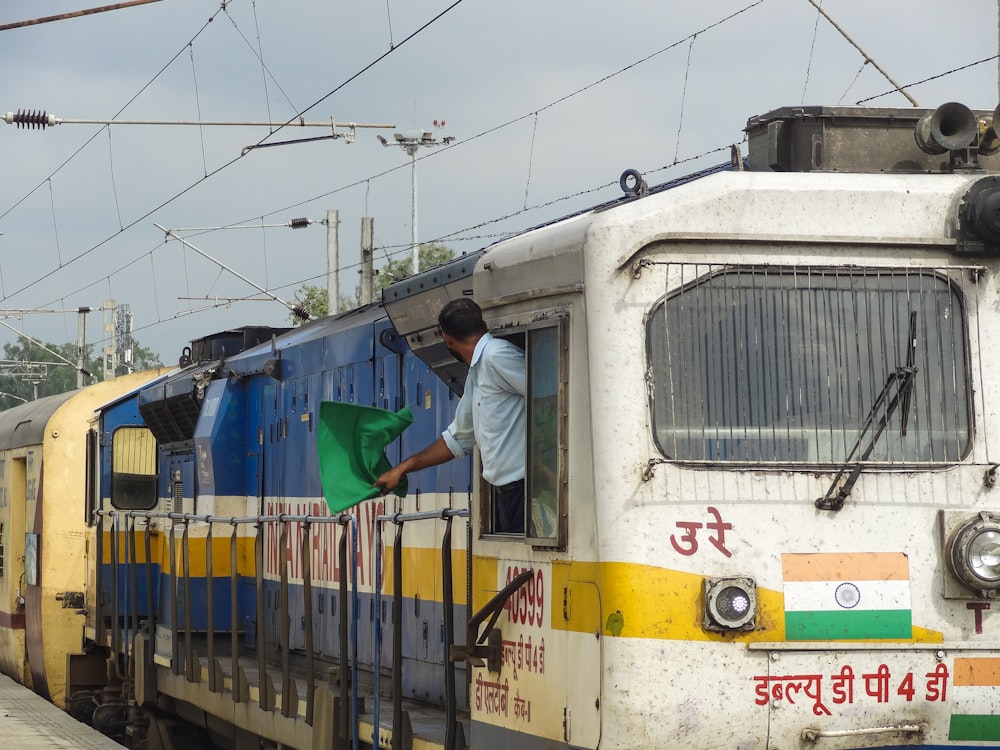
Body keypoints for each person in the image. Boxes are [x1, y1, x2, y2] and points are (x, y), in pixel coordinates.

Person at [373, 297, 526, 533]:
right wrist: (401, 469)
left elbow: (549, 395)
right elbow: (457, 438)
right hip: (506, 495)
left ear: (448, 339)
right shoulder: (479, 370)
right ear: (483, 324)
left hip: (525, 490)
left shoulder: (497, 356)